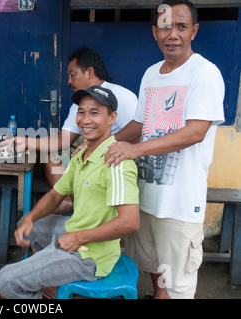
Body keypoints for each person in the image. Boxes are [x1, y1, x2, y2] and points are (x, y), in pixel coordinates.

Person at [104, 0, 225, 299]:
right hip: (145, 196)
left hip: (179, 203)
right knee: (152, 267)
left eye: (181, 27)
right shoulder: (151, 74)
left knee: (178, 282)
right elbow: (139, 124)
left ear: (194, 31)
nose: (173, 34)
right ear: (154, 32)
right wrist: (102, 146)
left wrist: (135, 150)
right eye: (165, 26)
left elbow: (196, 132)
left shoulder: (204, 74)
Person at [0, 86, 139, 299]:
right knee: (30, 226)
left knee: (5, 281)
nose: (85, 120)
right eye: (81, 112)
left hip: (91, 256)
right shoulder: (83, 154)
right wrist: (30, 217)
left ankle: (41, 285)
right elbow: (56, 195)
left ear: (111, 118)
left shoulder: (116, 162)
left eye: (94, 113)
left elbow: (130, 222)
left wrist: (79, 237)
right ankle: (49, 284)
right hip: (77, 231)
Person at [0, 46, 137, 214]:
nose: (69, 81)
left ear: (89, 72)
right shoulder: (80, 101)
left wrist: (99, 146)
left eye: (72, 75)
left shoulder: (120, 95)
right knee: (47, 153)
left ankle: (79, 198)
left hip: (113, 162)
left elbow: (140, 130)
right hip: (89, 157)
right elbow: (61, 141)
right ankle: (69, 198)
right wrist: (25, 142)